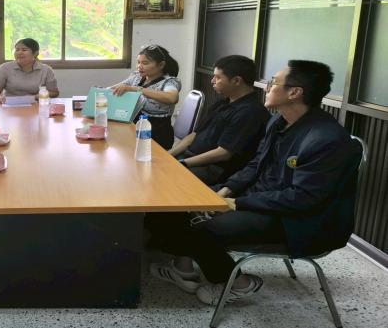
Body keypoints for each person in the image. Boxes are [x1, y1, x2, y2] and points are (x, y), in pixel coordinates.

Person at [146, 60, 362, 306]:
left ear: (294, 92)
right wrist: (225, 191)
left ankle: (239, 283)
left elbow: (301, 199)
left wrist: (236, 203)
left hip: (297, 220)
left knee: (201, 226)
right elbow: (255, 165)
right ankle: (183, 269)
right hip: (261, 199)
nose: (267, 87)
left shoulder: (326, 139)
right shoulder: (278, 122)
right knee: (173, 206)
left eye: (274, 82)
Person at [169, 55, 271, 185]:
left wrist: (183, 163)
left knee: (166, 178)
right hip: (191, 158)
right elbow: (194, 135)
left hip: (214, 169)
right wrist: (169, 155)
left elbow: (223, 153)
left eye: (217, 77)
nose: (212, 81)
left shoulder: (251, 112)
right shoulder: (222, 103)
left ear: (237, 81)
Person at [111, 44, 180, 149]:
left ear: (161, 65)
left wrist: (136, 89)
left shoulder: (169, 82)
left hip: (156, 134)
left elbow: (172, 98)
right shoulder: (137, 77)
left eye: (145, 63)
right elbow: (116, 88)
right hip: (134, 128)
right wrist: (100, 92)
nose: (139, 66)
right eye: (138, 62)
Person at [0, 38, 59, 103]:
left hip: (36, 104)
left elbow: (54, 92)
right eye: (17, 50)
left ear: (35, 53)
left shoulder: (46, 70)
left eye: (24, 50)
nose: (19, 52)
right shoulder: (5, 67)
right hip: (9, 105)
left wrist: (38, 96)